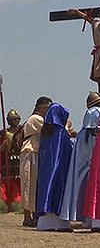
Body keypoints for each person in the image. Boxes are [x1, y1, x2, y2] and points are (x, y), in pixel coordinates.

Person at [59, 92, 100, 227]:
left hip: (87, 153)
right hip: (97, 150)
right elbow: (92, 130)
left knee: (84, 183)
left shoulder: (93, 113)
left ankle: (88, 217)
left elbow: (91, 130)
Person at [35, 103, 73, 231]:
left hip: (45, 171)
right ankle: (59, 224)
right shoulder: (61, 132)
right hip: (58, 169)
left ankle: (45, 223)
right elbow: (67, 149)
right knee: (57, 191)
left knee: (45, 191)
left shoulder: (45, 132)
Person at [20, 96, 52, 227]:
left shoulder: (36, 119)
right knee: (29, 185)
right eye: (47, 108)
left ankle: (32, 216)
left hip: (34, 153)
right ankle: (27, 217)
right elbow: (49, 130)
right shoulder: (36, 119)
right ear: (41, 107)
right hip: (30, 153)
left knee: (34, 186)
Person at [0, 109, 23, 212]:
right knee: (6, 183)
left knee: (19, 183)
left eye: (17, 119)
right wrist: (3, 146)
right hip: (7, 161)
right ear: (9, 120)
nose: (16, 121)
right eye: (13, 119)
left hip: (19, 160)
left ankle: (17, 205)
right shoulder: (3, 133)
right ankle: (6, 205)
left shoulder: (22, 131)